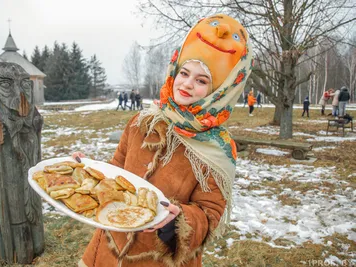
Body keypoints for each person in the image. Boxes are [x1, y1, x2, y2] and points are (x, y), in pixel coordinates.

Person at [74, 14, 253, 267]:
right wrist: (85, 170)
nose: (187, 84)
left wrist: (179, 221)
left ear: (219, 92)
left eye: (201, 81)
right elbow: (114, 172)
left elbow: (209, 214)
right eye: (184, 73)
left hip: (161, 260)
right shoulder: (141, 122)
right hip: (107, 250)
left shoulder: (218, 148)